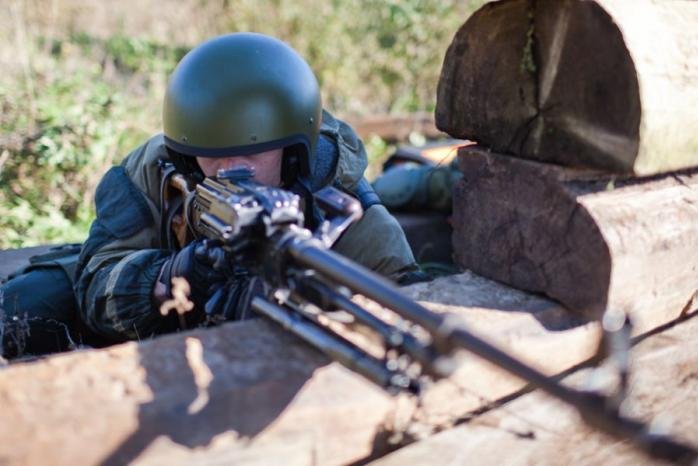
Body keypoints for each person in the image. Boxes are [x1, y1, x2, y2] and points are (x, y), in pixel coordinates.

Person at [0, 32, 423, 357]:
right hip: (160, 327)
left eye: (254, 152)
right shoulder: (151, 171)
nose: (229, 169)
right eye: (212, 155)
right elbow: (95, 288)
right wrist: (169, 276)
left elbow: (414, 310)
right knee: (23, 306)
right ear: (185, 154)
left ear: (295, 152)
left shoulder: (353, 217)